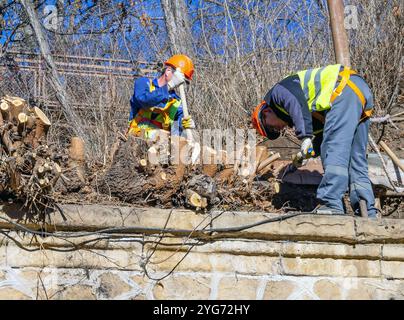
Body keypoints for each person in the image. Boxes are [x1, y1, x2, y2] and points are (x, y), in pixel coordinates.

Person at [252, 64, 377, 217]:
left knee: (333, 148)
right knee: (355, 157)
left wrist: (304, 136)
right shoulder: (307, 113)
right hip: (358, 92)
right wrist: (305, 155)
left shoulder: (278, 92)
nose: (277, 130)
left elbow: (296, 103)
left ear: (266, 113)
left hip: (341, 89)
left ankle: (331, 202)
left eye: (271, 128)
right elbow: (322, 139)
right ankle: (367, 210)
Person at [128, 54, 195, 140]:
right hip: (135, 140)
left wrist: (183, 125)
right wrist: (168, 86)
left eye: (184, 81)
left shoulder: (176, 102)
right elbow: (143, 100)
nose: (181, 83)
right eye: (180, 78)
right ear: (168, 71)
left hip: (160, 147)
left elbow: (175, 132)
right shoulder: (144, 83)